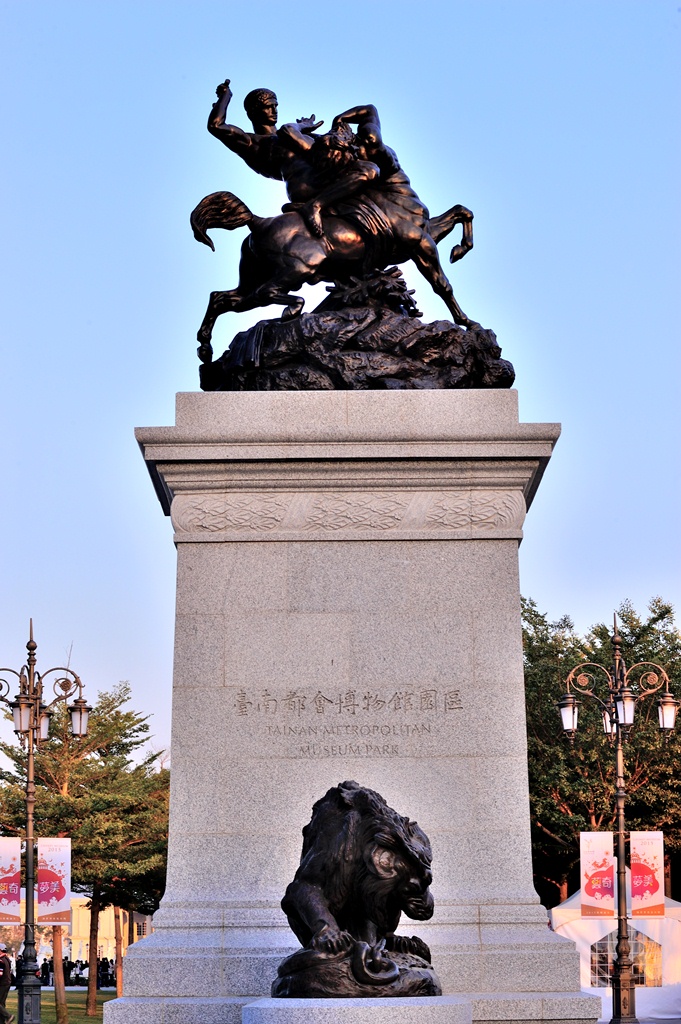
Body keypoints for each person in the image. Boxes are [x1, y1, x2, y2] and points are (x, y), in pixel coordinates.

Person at [0, 943, 15, 1023]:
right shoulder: (6, 959)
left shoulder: (1, 960)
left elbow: (0, 974)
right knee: (1, 1003)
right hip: (7, 983)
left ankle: (8, 1016)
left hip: (2, 983)